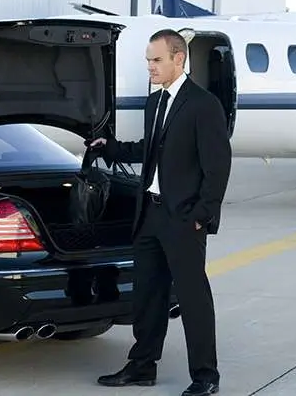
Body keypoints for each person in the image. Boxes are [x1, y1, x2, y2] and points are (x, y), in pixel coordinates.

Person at [88, 29, 232, 396]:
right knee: (148, 296)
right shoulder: (155, 102)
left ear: (178, 59)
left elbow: (217, 166)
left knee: (193, 298)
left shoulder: (203, 105)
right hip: (149, 215)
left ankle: (206, 376)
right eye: (148, 60)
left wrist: (201, 215)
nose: (150, 67)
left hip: (183, 219)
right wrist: (112, 148)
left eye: (156, 60)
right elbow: (150, 149)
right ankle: (142, 366)